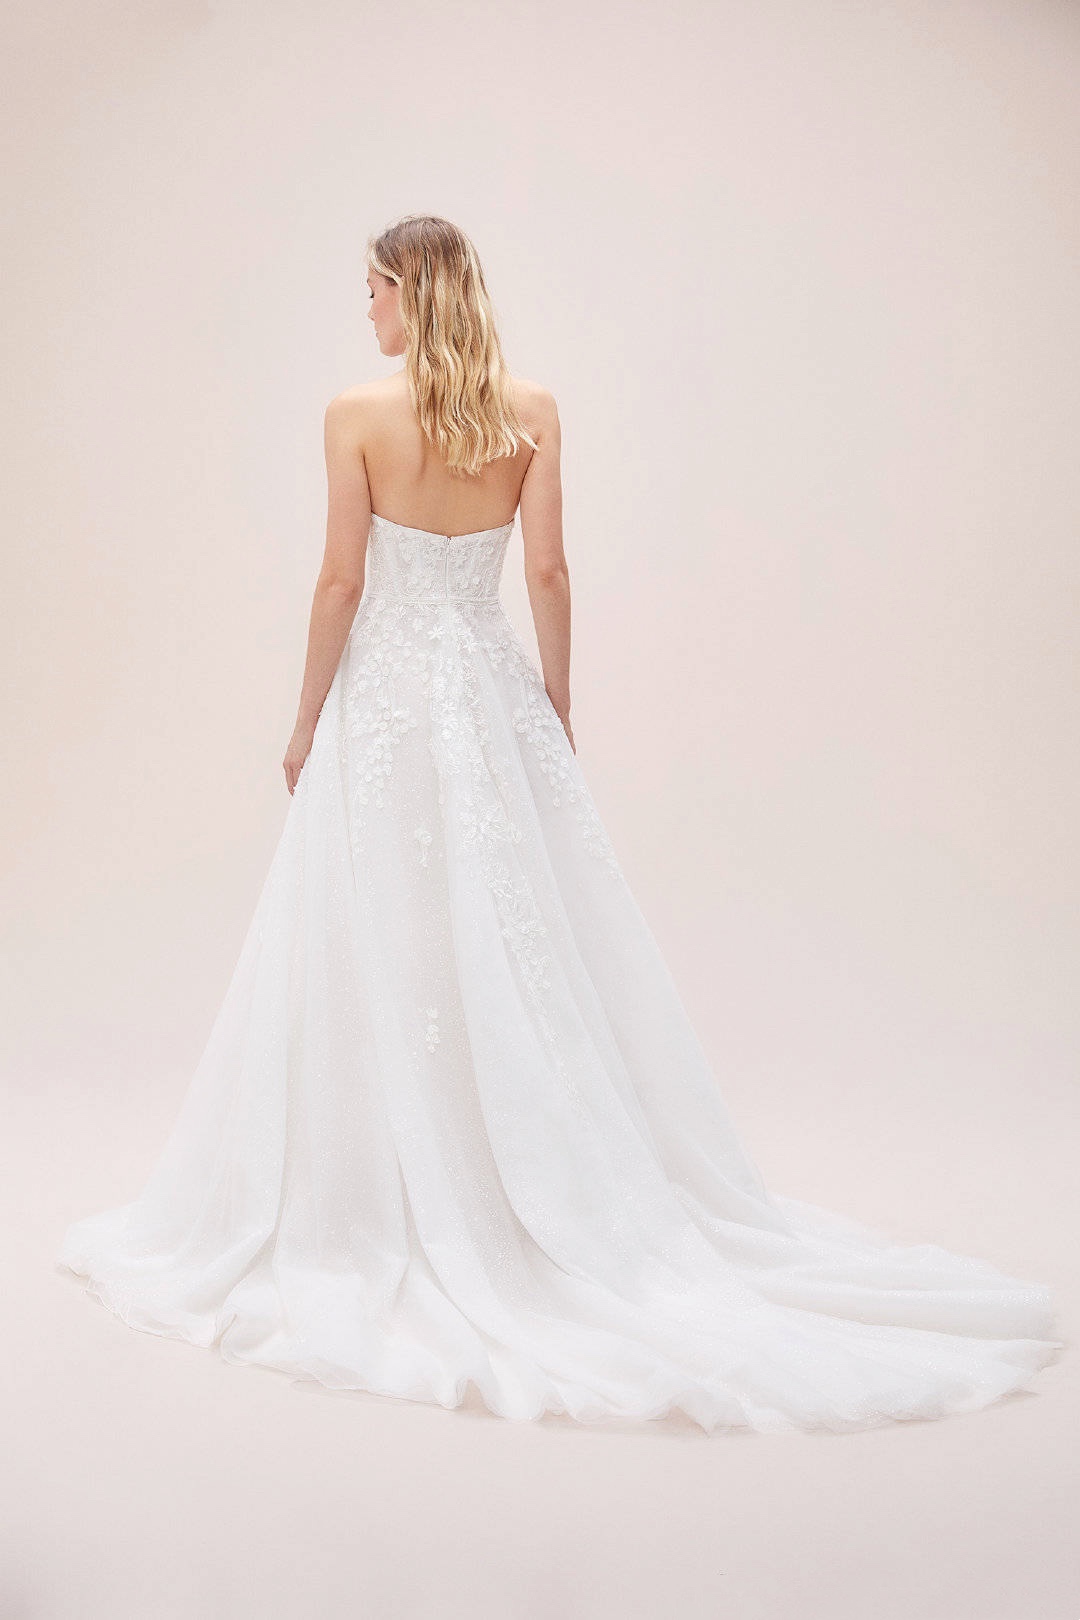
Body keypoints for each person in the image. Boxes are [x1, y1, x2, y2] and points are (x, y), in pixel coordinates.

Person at [56, 214, 1064, 1434]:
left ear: (410, 292)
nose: (364, 310)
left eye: (372, 289)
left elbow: (340, 581)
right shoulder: (529, 410)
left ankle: (391, 1192)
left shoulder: (353, 417)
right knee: (510, 937)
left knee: (383, 934)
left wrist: (305, 720)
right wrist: (556, 697)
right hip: (486, 697)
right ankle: (509, 1177)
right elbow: (547, 572)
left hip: (386, 707)